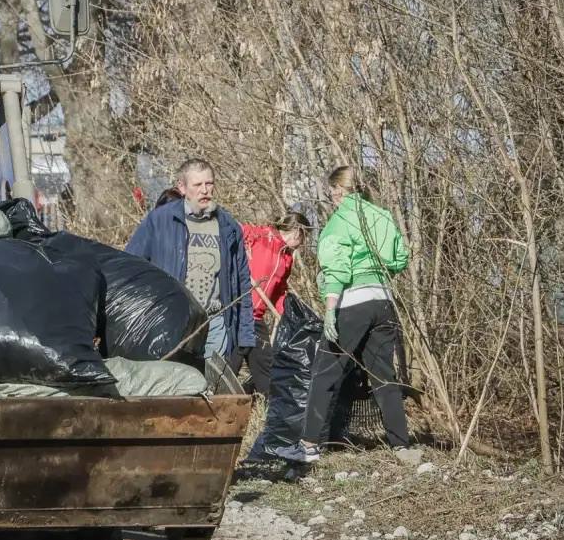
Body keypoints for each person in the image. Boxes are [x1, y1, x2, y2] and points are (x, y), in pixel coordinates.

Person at [269, 166, 411, 463]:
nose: (331, 198)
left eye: (332, 193)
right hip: (383, 301)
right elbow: (400, 257)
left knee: (325, 371)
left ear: (338, 191)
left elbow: (337, 269)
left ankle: (308, 447)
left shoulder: (339, 221)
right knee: (384, 374)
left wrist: (331, 308)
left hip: (351, 303)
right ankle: (402, 445)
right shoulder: (382, 216)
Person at [125, 158, 255, 375]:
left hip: (215, 321)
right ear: (182, 187)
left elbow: (242, 283)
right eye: (197, 185)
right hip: (171, 321)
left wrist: (245, 334)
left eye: (209, 183)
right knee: (173, 387)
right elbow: (130, 266)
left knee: (211, 390)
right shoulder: (160, 221)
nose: (205, 190)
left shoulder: (228, 227)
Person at [233, 211, 313, 394]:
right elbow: (235, 229)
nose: (303, 243)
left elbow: (279, 290)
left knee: (267, 373)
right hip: (237, 314)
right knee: (228, 368)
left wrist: (286, 315)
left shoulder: (287, 257)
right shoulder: (262, 236)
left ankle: (273, 415)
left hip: (256, 318)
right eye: (304, 236)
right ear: (296, 232)